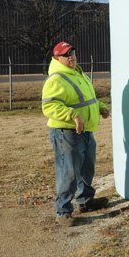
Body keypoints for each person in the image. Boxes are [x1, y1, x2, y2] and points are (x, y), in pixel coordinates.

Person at [41, 41, 110, 226]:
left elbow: (88, 100)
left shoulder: (79, 74)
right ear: (56, 58)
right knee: (68, 172)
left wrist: (101, 107)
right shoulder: (56, 78)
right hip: (67, 133)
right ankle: (63, 211)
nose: (71, 56)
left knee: (87, 168)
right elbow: (49, 106)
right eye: (66, 54)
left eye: (72, 52)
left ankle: (85, 201)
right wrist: (73, 115)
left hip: (86, 131)